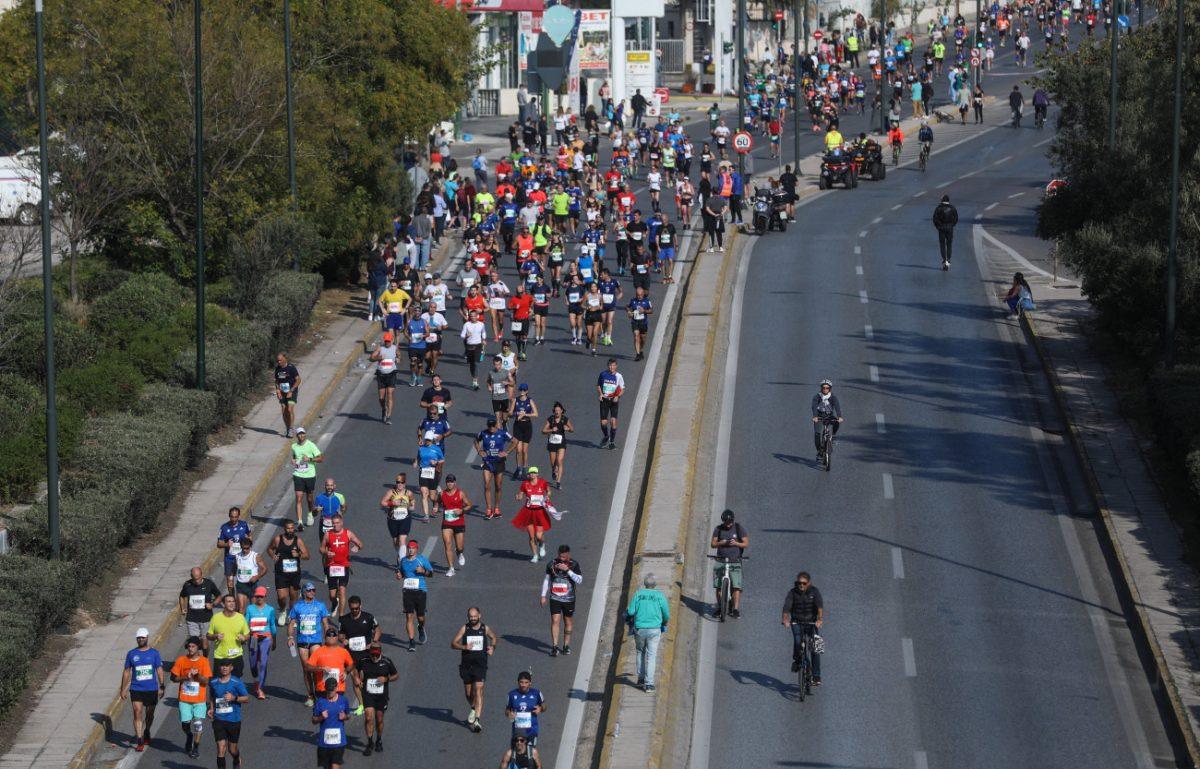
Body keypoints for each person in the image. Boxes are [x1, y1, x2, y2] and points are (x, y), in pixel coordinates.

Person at [451, 606, 499, 733]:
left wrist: (492, 647)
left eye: (474, 616)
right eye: (470, 617)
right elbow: (453, 643)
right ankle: (473, 707)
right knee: (468, 694)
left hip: (480, 665)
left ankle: (477, 720)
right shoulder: (465, 628)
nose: (473, 619)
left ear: (479, 615)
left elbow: (494, 637)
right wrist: (464, 646)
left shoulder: (484, 628)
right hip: (466, 665)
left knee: (479, 690)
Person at [120, 627, 165, 752]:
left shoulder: (154, 653)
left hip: (151, 689)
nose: (140, 639)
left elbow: (159, 670)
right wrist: (122, 689)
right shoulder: (131, 654)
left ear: (147, 638)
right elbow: (126, 671)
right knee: (137, 711)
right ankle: (139, 740)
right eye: (138, 638)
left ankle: (147, 730)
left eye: (143, 637)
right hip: (136, 688)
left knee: (149, 714)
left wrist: (162, 685)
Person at [625, 573, 669, 692]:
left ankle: (640, 679)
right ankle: (649, 684)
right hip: (654, 629)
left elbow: (631, 611)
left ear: (645, 584)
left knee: (640, 652)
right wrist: (664, 623)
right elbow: (666, 614)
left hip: (639, 629)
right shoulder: (660, 595)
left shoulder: (638, 594)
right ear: (655, 584)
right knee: (652, 656)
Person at [171, 637, 212, 758]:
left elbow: (206, 681)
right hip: (185, 699)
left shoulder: (204, 661)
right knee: (185, 725)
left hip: (199, 700)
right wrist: (185, 677)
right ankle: (189, 735)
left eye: (193, 646)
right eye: (189, 646)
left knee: (198, 723)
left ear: (198, 648)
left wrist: (197, 676)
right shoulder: (181, 660)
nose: (191, 649)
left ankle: (196, 747)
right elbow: (173, 678)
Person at [339, 595, 380, 716]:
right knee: (356, 680)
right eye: (352, 609)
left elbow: (377, 630)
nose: (354, 610)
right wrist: (343, 640)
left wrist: (374, 642)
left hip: (366, 654)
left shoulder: (369, 617)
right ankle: (362, 705)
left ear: (360, 606)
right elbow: (340, 635)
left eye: (356, 608)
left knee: (367, 678)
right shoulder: (344, 620)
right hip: (351, 654)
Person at [781, 572, 825, 685]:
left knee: (816, 649)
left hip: (812, 623)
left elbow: (819, 606)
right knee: (797, 642)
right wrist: (785, 619)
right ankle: (797, 660)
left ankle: (816, 676)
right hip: (797, 622)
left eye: (804, 583)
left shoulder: (815, 592)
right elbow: (786, 607)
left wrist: (819, 619)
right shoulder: (792, 592)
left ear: (808, 583)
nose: (801, 585)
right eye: (799, 583)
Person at [356, 641, 399, 755]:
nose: (374, 657)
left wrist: (386, 679)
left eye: (377, 655)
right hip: (368, 694)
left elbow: (396, 675)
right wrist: (358, 679)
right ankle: (370, 742)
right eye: (372, 655)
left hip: (381, 695)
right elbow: (356, 670)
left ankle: (379, 739)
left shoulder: (386, 662)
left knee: (379, 719)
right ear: (369, 653)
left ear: (380, 653)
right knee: (369, 717)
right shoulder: (363, 661)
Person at [540, 544, 582, 656]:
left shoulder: (574, 564)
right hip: (555, 598)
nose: (561, 559)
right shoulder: (551, 564)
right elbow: (547, 580)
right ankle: (554, 646)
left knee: (568, 622)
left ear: (568, 555)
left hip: (569, 599)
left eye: (563, 557)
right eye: (560, 556)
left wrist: (568, 570)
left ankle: (566, 645)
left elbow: (579, 580)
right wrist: (543, 595)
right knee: (555, 621)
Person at [208, 659, 249, 769]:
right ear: (219, 668)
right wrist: (211, 709)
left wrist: (234, 698)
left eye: (227, 666)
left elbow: (246, 698)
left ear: (231, 668)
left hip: (234, 720)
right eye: (222, 666)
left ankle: (236, 758)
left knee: (232, 749)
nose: (224, 668)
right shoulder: (213, 682)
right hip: (219, 719)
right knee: (221, 748)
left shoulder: (237, 682)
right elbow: (212, 696)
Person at [320, 514, 363, 616]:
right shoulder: (328, 534)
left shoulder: (348, 533)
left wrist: (357, 548)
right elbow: (321, 548)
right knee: (332, 595)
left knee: (342, 590)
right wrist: (326, 553)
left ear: (342, 522)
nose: (335, 525)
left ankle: (341, 617)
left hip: (344, 565)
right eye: (333, 523)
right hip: (332, 566)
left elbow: (360, 544)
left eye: (337, 523)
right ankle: (335, 602)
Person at [268, 519, 309, 625]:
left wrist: (298, 555)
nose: (291, 530)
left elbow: (307, 555)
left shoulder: (298, 541)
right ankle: (282, 610)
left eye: (292, 528)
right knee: (281, 597)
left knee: (293, 597)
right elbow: (270, 549)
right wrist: (273, 556)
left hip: (294, 574)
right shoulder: (278, 539)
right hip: (281, 573)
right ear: (284, 529)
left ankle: (292, 616)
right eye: (288, 528)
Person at [396, 539, 434, 651]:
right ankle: (411, 641)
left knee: (420, 617)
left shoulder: (422, 560)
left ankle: (421, 627)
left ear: (417, 549)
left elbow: (431, 573)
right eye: (409, 548)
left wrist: (423, 571)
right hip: (407, 591)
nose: (411, 550)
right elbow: (401, 572)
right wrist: (399, 575)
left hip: (420, 591)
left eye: (413, 548)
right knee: (409, 616)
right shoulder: (403, 561)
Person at [710, 509, 749, 618]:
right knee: (718, 586)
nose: (729, 524)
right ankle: (720, 607)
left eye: (730, 521)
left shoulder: (738, 528)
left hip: (735, 561)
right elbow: (713, 544)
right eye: (726, 522)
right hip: (721, 560)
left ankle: (735, 609)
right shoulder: (718, 529)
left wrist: (736, 543)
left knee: (736, 585)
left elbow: (746, 543)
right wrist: (721, 542)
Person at [512, 466, 553, 562]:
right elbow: (520, 494)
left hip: (539, 512)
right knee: (531, 536)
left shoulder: (542, 482)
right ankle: (535, 555)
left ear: (537, 474)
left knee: (538, 536)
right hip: (528, 512)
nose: (532, 474)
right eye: (531, 473)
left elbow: (548, 490)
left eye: (534, 472)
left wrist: (547, 495)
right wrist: (518, 497)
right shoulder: (525, 484)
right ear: (528, 474)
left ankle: (542, 545)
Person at [476, 416, 513, 519]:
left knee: (498, 486)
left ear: (496, 425)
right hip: (488, 462)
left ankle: (496, 508)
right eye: (489, 426)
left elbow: (515, 441)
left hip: (499, 462)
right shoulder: (483, 433)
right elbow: (476, 441)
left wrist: (507, 452)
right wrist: (479, 451)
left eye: (493, 425)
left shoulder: (503, 433)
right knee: (487, 485)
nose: (491, 428)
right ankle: (488, 509)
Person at [178, 566, 222, 652]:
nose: (197, 581)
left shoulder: (209, 584)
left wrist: (213, 604)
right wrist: (182, 608)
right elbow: (182, 596)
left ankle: (205, 659)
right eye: (195, 579)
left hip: (206, 618)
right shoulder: (187, 585)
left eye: (198, 578)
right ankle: (197, 662)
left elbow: (219, 596)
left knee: (204, 644)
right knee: (194, 643)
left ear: (201, 575)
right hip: (192, 619)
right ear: (191, 576)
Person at [244, 586, 276, 699]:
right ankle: (256, 680)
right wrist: (245, 635)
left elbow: (272, 624)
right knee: (253, 664)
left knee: (263, 663)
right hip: (253, 638)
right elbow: (245, 623)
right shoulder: (250, 608)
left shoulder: (270, 609)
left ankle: (260, 689)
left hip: (266, 638)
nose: (259, 598)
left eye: (261, 596)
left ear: (265, 597)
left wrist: (274, 639)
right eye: (257, 596)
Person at [312, 676, 350, 769]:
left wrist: (344, 717)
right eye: (328, 690)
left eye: (332, 690)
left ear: (337, 688)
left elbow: (348, 715)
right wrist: (321, 717)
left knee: (335, 766)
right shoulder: (320, 702)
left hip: (339, 741)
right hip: (324, 742)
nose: (330, 692)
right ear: (325, 688)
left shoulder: (343, 700)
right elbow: (313, 720)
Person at [209, 593, 250, 678]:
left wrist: (244, 638)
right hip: (220, 656)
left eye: (233, 601)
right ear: (223, 604)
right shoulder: (216, 618)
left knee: (235, 682)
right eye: (229, 601)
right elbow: (208, 635)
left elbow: (247, 635)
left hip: (236, 656)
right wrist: (215, 636)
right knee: (218, 683)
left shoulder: (241, 617)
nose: (232, 603)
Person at [439, 473, 472, 576]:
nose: (449, 483)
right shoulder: (442, 494)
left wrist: (461, 510)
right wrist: (435, 507)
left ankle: (459, 552)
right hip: (447, 523)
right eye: (448, 482)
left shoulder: (460, 493)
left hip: (459, 522)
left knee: (460, 546)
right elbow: (437, 501)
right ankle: (451, 568)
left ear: (455, 483)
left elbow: (469, 505)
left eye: (451, 482)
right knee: (447, 544)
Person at [291, 427, 323, 530]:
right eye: (299, 434)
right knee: (298, 497)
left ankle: (310, 513)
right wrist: (293, 461)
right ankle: (300, 522)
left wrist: (309, 459)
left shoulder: (311, 445)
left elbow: (321, 458)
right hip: (298, 474)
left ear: (305, 434)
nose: (301, 436)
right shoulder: (294, 446)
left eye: (303, 433)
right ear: (297, 436)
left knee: (309, 498)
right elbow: (294, 457)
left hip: (310, 475)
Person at [380, 473, 416, 566]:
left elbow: (412, 502)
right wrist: (392, 503)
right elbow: (383, 502)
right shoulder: (391, 492)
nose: (400, 484)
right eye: (398, 482)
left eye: (402, 482)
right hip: (393, 519)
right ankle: (399, 554)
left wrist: (411, 506)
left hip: (405, 519)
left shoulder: (408, 493)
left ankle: (403, 562)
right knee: (396, 542)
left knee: (402, 540)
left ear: (405, 483)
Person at [505, 671, 546, 746]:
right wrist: (509, 714)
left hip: (531, 730)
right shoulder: (511, 694)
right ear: (518, 682)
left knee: (531, 753)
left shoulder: (537, 693)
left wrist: (540, 709)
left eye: (526, 682)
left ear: (530, 683)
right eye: (521, 682)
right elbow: (507, 710)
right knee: (514, 754)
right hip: (517, 731)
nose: (523, 685)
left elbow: (545, 706)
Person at [217, 506, 251, 594]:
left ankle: (243, 595)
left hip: (242, 557)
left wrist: (248, 543)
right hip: (229, 558)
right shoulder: (224, 527)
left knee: (243, 578)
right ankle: (232, 599)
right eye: (232, 517)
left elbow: (250, 536)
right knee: (230, 580)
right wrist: (226, 544)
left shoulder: (244, 525)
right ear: (229, 516)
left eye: (236, 517)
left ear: (239, 516)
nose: (234, 519)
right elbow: (219, 544)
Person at [541, 402, 574, 488]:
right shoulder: (550, 419)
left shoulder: (565, 419)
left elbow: (572, 429)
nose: (557, 412)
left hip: (561, 443)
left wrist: (568, 429)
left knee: (559, 460)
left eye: (559, 410)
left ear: (562, 411)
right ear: (554, 411)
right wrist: (551, 429)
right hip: (552, 443)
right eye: (556, 410)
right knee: (553, 464)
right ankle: (554, 471)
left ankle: (558, 482)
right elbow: (543, 431)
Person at [370, 331, 400, 423]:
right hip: (381, 375)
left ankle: (389, 416)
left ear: (391, 340)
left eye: (389, 341)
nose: (387, 343)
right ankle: (384, 409)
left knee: (389, 394)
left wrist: (398, 358)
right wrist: (378, 358)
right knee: (381, 398)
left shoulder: (395, 348)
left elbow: (399, 355)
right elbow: (371, 358)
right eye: (386, 341)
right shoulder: (380, 348)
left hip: (391, 374)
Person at [510, 383, 539, 479]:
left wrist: (525, 414)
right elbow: (510, 413)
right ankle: (518, 468)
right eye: (520, 390)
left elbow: (536, 414)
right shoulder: (515, 400)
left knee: (524, 450)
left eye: (524, 390)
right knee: (518, 450)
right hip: (518, 426)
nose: (522, 392)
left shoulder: (530, 401)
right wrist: (517, 413)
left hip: (527, 426)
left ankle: (525, 469)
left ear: (527, 391)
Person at [416, 431, 446, 521]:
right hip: (423, 472)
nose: (427, 441)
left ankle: (436, 503)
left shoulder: (437, 449)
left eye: (429, 440)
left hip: (433, 473)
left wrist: (436, 462)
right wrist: (415, 462)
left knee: (432, 497)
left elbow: (442, 460)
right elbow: (418, 457)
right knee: (424, 494)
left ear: (432, 440)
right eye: (426, 439)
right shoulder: (421, 448)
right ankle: (426, 515)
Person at [231, 537, 267, 613]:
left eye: (247, 548)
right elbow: (234, 567)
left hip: (251, 585)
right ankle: (242, 625)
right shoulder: (237, 556)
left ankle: (251, 623)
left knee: (252, 609)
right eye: (243, 548)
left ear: (250, 547)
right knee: (241, 609)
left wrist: (257, 577)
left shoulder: (255, 556)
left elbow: (265, 569)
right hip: (241, 584)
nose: (245, 550)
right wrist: (232, 577)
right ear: (240, 547)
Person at [811, 379, 844, 459]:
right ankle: (819, 451)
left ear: (830, 389)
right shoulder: (817, 397)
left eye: (827, 388)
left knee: (836, 422)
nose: (825, 389)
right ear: (821, 388)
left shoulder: (833, 397)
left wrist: (839, 416)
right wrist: (815, 416)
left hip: (829, 415)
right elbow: (814, 407)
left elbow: (837, 406)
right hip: (819, 416)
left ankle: (833, 436)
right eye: (823, 388)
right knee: (817, 435)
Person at [597, 358, 625, 450]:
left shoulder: (619, 376)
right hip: (604, 400)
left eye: (613, 365)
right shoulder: (603, 374)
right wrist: (600, 394)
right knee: (603, 423)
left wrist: (618, 396)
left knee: (613, 421)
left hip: (614, 401)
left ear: (616, 366)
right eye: (610, 365)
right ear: (608, 366)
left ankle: (612, 443)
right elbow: (598, 385)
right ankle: (606, 436)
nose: (611, 367)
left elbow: (623, 389)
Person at [274, 353, 301, 437]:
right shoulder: (277, 369)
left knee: (289, 409)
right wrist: (278, 390)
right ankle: (287, 428)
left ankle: (291, 428)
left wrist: (291, 391)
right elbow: (277, 381)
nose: (279, 362)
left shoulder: (291, 368)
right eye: (278, 360)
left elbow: (298, 380)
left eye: (280, 360)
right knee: (283, 409)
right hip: (282, 392)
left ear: (285, 359)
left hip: (292, 390)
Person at [626, 286, 653, 362]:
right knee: (636, 336)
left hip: (643, 323)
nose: (639, 296)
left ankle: (641, 350)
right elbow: (627, 307)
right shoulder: (633, 301)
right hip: (635, 322)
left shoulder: (647, 301)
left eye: (640, 295)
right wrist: (629, 312)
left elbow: (651, 310)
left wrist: (644, 311)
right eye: (638, 295)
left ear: (643, 294)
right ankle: (637, 354)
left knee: (643, 339)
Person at [932, 194, 959, 269]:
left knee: (942, 244)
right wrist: (952, 225)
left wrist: (938, 227)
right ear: (948, 201)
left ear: (942, 200)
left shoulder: (938, 208)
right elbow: (956, 218)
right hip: (950, 228)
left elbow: (935, 219)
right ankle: (949, 259)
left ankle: (944, 260)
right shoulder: (952, 208)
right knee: (949, 244)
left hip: (941, 228)